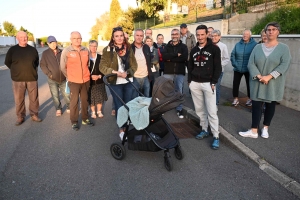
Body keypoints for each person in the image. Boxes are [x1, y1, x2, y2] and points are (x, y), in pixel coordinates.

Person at [239, 22, 291, 139]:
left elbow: (284, 65)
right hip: (258, 82)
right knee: (256, 105)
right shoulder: (257, 47)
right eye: (268, 30)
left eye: (274, 29)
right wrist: (259, 76)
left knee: (270, 106)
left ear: (278, 32)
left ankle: (265, 128)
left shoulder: (284, 48)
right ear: (265, 32)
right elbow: (251, 63)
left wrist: (269, 76)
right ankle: (253, 130)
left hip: (273, 83)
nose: (271, 31)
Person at [100, 26, 137, 140]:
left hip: (127, 80)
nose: (119, 38)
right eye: (117, 36)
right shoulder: (107, 50)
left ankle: (126, 123)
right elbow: (102, 66)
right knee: (119, 106)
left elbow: (134, 65)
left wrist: (128, 73)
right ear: (113, 37)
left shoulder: (129, 48)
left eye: (121, 36)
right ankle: (122, 129)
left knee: (127, 104)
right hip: (115, 82)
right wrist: (114, 72)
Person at [188, 25, 222, 149]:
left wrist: (214, 82)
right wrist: (189, 81)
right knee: (200, 109)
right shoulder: (193, 50)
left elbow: (218, 67)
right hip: (195, 83)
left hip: (208, 84)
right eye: (198, 35)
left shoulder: (214, 49)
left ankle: (216, 136)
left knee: (212, 111)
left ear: (207, 34)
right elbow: (190, 66)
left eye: (202, 34)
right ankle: (204, 129)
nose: (200, 37)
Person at [5, 31, 41, 125]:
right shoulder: (12, 50)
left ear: (27, 38)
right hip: (18, 80)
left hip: (32, 78)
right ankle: (20, 116)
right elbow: (7, 62)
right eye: (21, 37)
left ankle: (34, 114)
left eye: (25, 37)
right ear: (17, 38)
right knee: (19, 100)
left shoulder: (33, 50)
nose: (24, 39)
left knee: (34, 99)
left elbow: (36, 62)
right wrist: (16, 71)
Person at [61, 31, 94, 131]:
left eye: (79, 38)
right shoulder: (66, 51)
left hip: (85, 80)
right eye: (75, 38)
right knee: (74, 102)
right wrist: (70, 76)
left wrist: (86, 75)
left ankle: (85, 118)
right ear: (71, 40)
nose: (77, 40)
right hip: (73, 81)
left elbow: (88, 64)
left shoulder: (85, 50)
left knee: (85, 100)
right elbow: (63, 67)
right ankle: (74, 121)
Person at [40, 36, 70, 117]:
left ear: (56, 42)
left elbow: (67, 63)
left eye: (54, 42)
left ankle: (69, 106)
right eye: (51, 43)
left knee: (67, 94)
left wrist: (67, 73)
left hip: (63, 78)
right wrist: (49, 74)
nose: (53, 44)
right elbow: (43, 65)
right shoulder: (45, 53)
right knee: (55, 95)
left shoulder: (62, 52)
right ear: (48, 44)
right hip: (52, 79)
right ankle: (58, 109)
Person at [162, 28, 188, 118]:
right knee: (166, 90)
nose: (174, 36)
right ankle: (165, 108)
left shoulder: (183, 47)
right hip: (168, 71)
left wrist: (171, 59)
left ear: (180, 35)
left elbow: (184, 58)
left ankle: (179, 109)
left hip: (179, 72)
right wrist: (176, 55)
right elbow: (164, 57)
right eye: (173, 34)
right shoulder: (167, 46)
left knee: (179, 91)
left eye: (176, 34)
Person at [230, 29, 257, 106]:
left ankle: (250, 99)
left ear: (250, 36)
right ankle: (235, 99)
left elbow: (256, 56)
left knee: (249, 84)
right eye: (244, 34)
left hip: (248, 69)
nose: (245, 36)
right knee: (235, 84)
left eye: (247, 34)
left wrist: (251, 66)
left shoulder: (254, 45)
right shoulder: (238, 44)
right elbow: (233, 55)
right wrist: (235, 64)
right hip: (237, 68)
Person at [88, 40, 108, 118]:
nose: (93, 48)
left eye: (95, 46)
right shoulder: (86, 57)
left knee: (100, 97)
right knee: (91, 98)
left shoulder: (101, 57)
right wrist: (90, 76)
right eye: (92, 46)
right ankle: (93, 112)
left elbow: (104, 69)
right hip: (90, 82)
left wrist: (100, 76)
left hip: (100, 81)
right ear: (89, 46)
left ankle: (99, 111)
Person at [131, 29, 153, 97]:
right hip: (134, 78)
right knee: (135, 100)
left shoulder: (146, 47)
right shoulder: (130, 48)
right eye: (137, 35)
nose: (139, 37)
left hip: (146, 78)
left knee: (146, 99)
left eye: (141, 35)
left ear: (143, 37)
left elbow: (149, 60)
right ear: (134, 36)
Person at [211, 30, 230, 105]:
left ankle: (216, 103)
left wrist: (218, 65)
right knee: (209, 87)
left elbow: (226, 58)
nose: (214, 37)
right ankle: (210, 103)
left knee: (216, 86)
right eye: (212, 36)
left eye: (216, 36)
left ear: (219, 37)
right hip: (209, 71)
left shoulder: (223, 46)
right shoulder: (209, 45)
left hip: (219, 71)